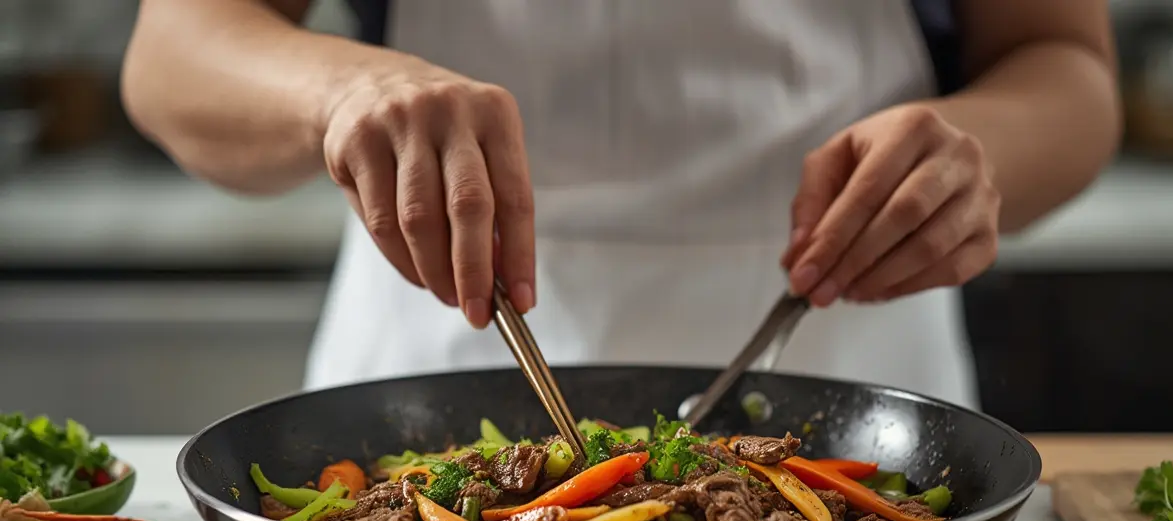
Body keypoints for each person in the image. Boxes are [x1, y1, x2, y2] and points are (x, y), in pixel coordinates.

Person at [121, 1, 1120, 408]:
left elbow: (1065, 65)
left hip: (852, 379)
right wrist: (339, 94)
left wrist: (971, 160)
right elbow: (173, 50)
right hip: (439, 376)